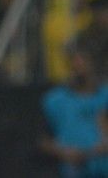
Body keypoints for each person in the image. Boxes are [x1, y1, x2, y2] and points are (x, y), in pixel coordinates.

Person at [40, 45, 108, 177]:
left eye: (84, 61)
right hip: (69, 171)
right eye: (74, 62)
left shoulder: (105, 97)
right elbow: (41, 139)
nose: (79, 67)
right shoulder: (54, 101)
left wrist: (101, 146)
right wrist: (63, 152)